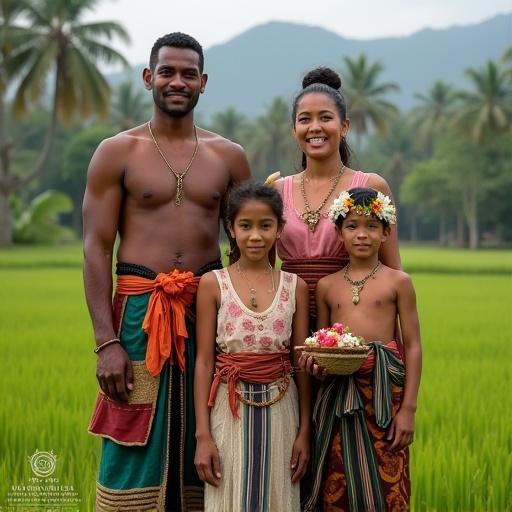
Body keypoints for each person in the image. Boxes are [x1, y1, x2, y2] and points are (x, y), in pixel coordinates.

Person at [83, 32, 250, 511]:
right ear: (148, 77)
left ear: (204, 82)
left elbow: (249, 245)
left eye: (188, 74)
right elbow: (96, 247)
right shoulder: (117, 152)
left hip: (209, 308)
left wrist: (251, 327)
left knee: (216, 429)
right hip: (138, 314)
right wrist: (106, 341)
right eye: (168, 72)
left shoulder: (228, 156)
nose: (178, 82)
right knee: (133, 432)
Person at [300, 187, 422, 511]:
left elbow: (412, 345)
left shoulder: (398, 282)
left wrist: (408, 409)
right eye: (352, 226)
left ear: (386, 233)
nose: (362, 235)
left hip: (385, 396)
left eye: (372, 226)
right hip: (339, 397)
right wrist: (317, 365)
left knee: (388, 484)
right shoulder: (327, 286)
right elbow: (324, 342)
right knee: (337, 480)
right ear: (339, 233)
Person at [194, 181, 312, 511]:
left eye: (266, 225)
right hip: (227, 411)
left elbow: (299, 363)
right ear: (230, 229)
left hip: (281, 410)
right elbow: (204, 363)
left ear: (279, 229)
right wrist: (203, 436)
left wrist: (305, 431)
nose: (255, 236)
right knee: (228, 495)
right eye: (245, 226)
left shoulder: (295, 287)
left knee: (277, 496)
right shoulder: (213, 284)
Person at [272, 67, 401, 329]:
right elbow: (261, 271)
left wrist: (393, 351)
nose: (315, 127)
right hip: (287, 326)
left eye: (325, 118)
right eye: (305, 119)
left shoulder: (371, 186)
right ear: (293, 128)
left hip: (353, 326)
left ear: (344, 127)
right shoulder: (276, 190)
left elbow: (393, 271)